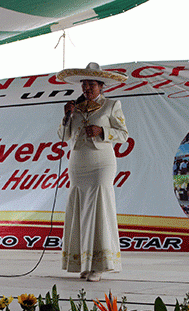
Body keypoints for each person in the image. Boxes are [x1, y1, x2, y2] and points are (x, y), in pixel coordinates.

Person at [56, 62, 128, 282]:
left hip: (101, 162)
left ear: (101, 86)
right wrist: (66, 116)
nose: (86, 88)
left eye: (91, 85)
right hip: (78, 162)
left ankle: (100, 265)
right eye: (84, 84)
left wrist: (102, 131)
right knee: (79, 209)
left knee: (99, 207)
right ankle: (83, 263)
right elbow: (62, 136)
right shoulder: (74, 108)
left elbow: (123, 134)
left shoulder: (111, 105)